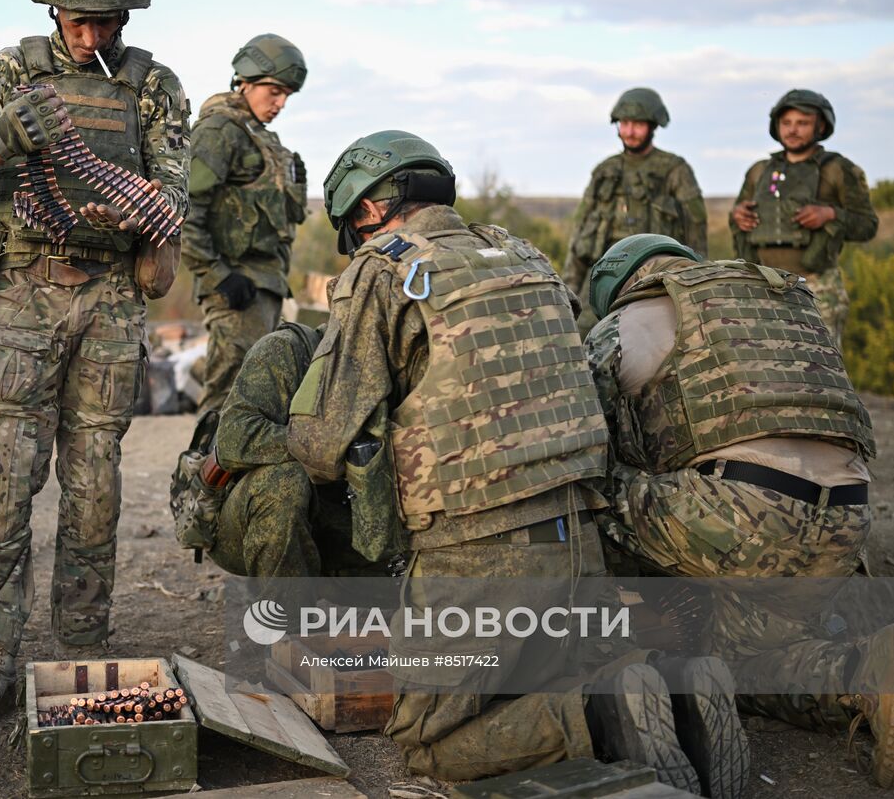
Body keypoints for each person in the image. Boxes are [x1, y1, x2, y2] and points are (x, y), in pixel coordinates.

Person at [285, 131, 744, 794]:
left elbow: (322, 441)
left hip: (476, 553)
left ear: (367, 209)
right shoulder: (523, 253)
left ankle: (600, 711)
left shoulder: (381, 268)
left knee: (427, 741)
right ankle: (671, 687)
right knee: (545, 670)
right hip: (577, 534)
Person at [0, 0, 190, 732]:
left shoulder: (153, 86)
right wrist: (0, 142)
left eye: (106, 21)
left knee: (95, 489)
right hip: (21, 295)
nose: (91, 35)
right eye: (78, 19)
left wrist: (146, 217)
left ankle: (79, 653)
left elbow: (174, 189)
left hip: (109, 299)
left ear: (127, 19)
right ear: (51, 9)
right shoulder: (8, 75)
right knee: (4, 486)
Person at [585, 233, 894, 789]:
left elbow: (580, 434)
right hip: (845, 522)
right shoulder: (782, 307)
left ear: (615, 286)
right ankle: (865, 671)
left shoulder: (626, 322)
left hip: (739, 515)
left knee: (587, 490)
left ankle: (617, 649)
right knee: (746, 663)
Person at [181, 34, 308, 414]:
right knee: (227, 403)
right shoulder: (220, 131)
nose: (280, 103)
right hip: (235, 288)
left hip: (266, 286)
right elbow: (184, 210)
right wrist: (218, 275)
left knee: (258, 403)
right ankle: (197, 475)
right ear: (246, 80)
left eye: (287, 94)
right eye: (274, 91)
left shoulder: (261, 138)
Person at [206, 321, 379, 578]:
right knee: (283, 483)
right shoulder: (286, 349)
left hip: (342, 525)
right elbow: (233, 439)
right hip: (244, 527)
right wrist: (329, 448)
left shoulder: (398, 363)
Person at [729, 89, 877, 344]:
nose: (793, 130)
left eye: (802, 123)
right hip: (762, 283)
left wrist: (830, 214)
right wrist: (738, 216)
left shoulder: (838, 169)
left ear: (821, 126)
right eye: (786, 123)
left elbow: (867, 225)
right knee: (764, 367)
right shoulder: (759, 172)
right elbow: (738, 215)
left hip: (817, 286)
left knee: (822, 372)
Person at [563, 88, 706, 330]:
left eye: (637, 124)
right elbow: (580, 236)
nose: (629, 131)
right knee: (580, 336)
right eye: (624, 123)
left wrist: (700, 288)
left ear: (653, 125)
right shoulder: (604, 171)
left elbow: (696, 233)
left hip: (655, 278)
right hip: (602, 278)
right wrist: (568, 292)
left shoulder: (675, 170)